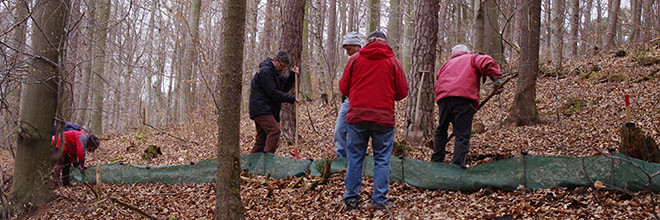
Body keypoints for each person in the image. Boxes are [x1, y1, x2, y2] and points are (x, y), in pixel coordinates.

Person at [339, 31, 409, 210]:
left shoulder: (355, 59)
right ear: (385, 42)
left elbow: (343, 87)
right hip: (383, 119)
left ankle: (351, 198)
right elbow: (402, 92)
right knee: (381, 159)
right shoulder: (393, 61)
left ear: (368, 42)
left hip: (357, 117)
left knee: (355, 158)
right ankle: (379, 200)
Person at [431, 44, 502, 168]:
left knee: (441, 130)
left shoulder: (446, 65)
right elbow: (487, 61)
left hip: (443, 99)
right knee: (462, 134)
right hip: (463, 98)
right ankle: (457, 166)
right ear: (467, 52)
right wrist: (496, 79)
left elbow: (437, 81)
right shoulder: (472, 57)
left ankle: (436, 162)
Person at [248, 51, 299, 154]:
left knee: (261, 140)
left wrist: (292, 75)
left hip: (266, 108)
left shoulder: (275, 73)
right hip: (260, 108)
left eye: (285, 67)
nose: (283, 69)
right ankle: (268, 162)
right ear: (275, 61)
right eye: (282, 66)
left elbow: (283, 88)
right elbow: (273, 92)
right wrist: (291, 99)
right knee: (274, 131)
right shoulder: (265, 72)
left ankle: (249, 168)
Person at [333, 32, 362, 158]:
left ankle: (353, 159)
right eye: (345, 50)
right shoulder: (351, 60)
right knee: (339, 131)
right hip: (348, 100)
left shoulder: (363, 60)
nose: (347, 52)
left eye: (349, 49)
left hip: (360, 102)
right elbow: (344, 84)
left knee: (356, 134)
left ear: (357, 46)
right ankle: (342, 158)